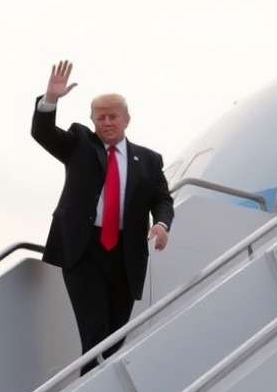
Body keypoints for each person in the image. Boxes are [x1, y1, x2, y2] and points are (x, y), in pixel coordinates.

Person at [31, 60, 175, 375]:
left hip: (125, 254)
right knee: (95, 335)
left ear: (127, 119)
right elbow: (43, 133)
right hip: (84, 250)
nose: (107, 122)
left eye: (113, 116)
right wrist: (50, 99)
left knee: (113, 337)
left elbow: (162, 199)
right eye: (101, 117)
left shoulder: (149, 160)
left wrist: (161, 225)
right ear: (92, 120)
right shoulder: (79, 143)